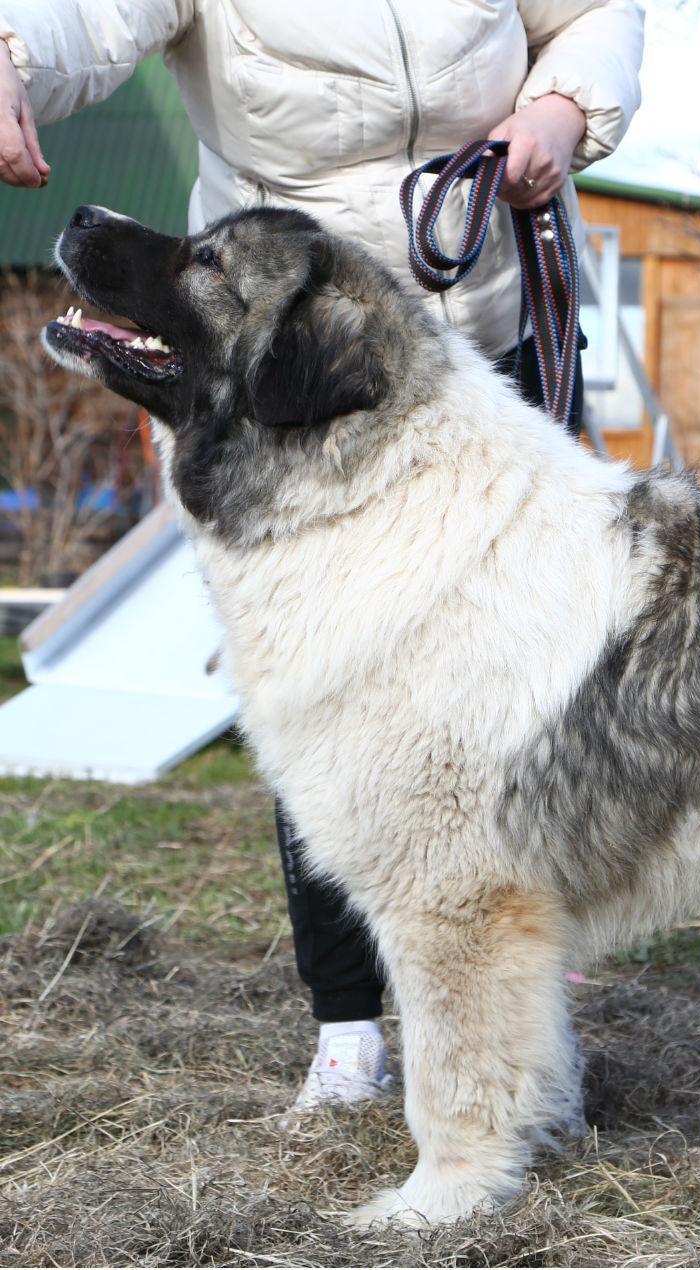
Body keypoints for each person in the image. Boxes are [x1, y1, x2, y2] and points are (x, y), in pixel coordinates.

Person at [1, 0, 642, 1119]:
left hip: (483, 337)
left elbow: (589, 13)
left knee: (523, 708)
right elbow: (87, 16)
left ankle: (518, 1030)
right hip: (281, 374)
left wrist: (558, 106)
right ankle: (347, 1027)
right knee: (327, 700)